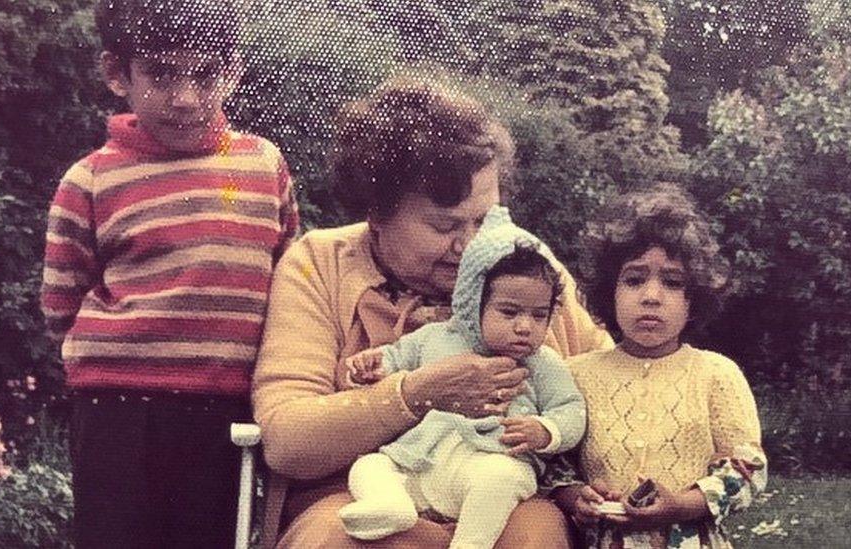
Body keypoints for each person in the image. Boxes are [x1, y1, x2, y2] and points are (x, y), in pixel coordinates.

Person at [252, 77, 612, 548]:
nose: (470, 245)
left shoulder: (526, 264)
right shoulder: (319, 264)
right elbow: (286, 441)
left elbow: (607, 381)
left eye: (484, 220)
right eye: (443, 225)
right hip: (361, 495)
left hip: (501, 496)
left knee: (535, 535)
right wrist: (413, 394)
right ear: (376, 213)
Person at [39, 0, 299, 546]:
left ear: (233, 72)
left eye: (205, 75)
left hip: (224, 412)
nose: (184, 98)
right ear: (118, 74)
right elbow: (61, 305)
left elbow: (289, 283)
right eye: (160, 74)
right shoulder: (89, 180)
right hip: (116, 411)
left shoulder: (263, 166)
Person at [338, 206, 587, 549]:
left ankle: (470, 544)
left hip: (490, 461)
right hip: (421, 460)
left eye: (539, 315)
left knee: (503, 479)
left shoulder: (543, 363)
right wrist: (375, 365)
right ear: (473, 303)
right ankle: (390, 506)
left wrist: (546, 431)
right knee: (369, 467)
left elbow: (571, 409)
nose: (525, 326)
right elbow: (397, 357)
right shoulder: (436, 337)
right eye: (510, 312)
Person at [554, 183, 767, 548]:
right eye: (634, 280)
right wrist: (576, 497)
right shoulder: (575, 374)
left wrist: (683, 505)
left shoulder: (716, 373)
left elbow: (747, 468)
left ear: (692, 300)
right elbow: (552, 466)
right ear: (610, 291)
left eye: (672, 282)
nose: (651, 296)